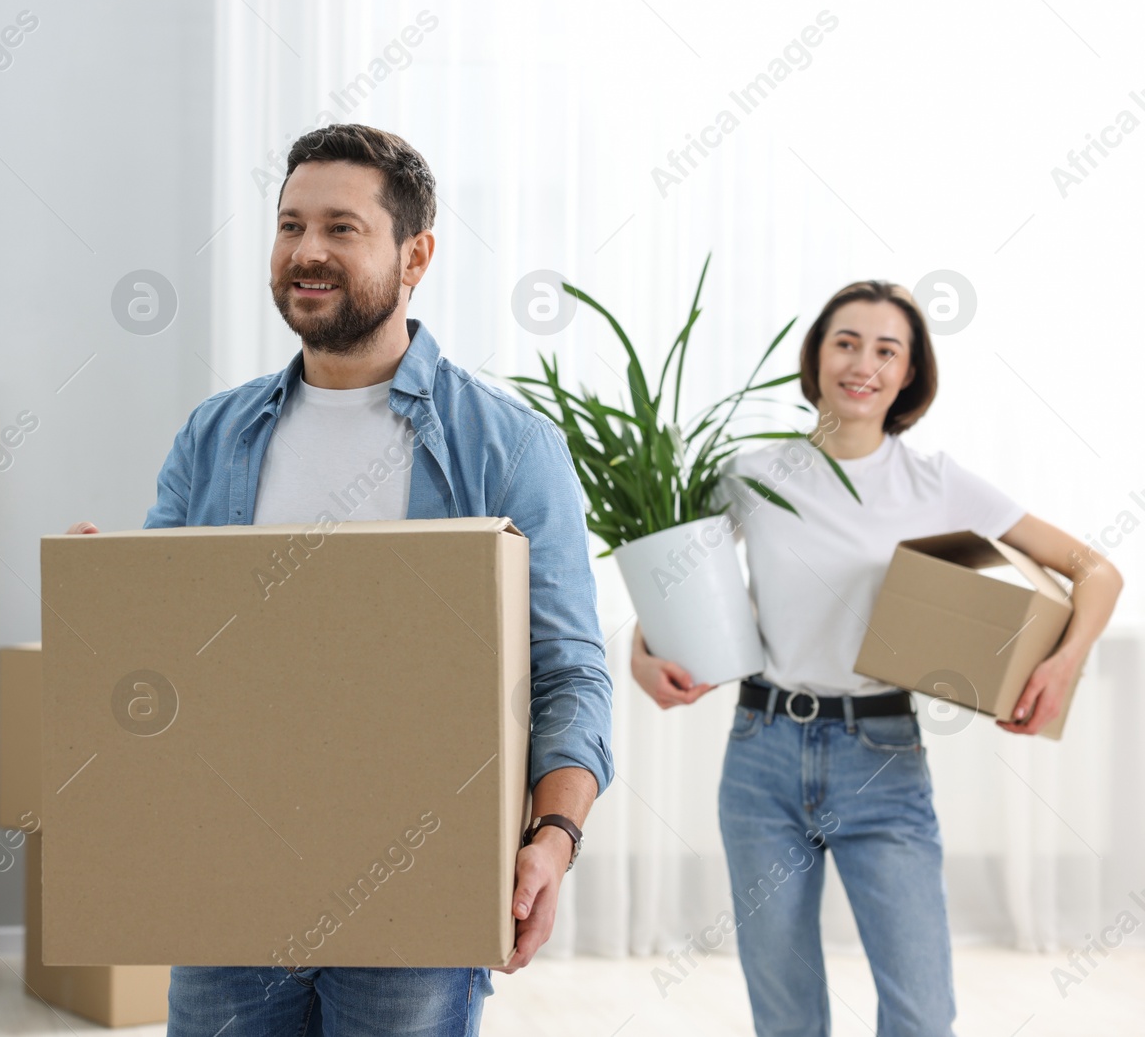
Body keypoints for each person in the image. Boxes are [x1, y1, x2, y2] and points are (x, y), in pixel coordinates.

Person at [67, 124, 615, 1036]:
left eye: (341, 227)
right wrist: (106, 601)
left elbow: (568, 671)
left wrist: (553, 839)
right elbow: (165, 661)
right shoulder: (216, 434)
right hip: (227, 884)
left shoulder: (510, 445)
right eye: (289, 225)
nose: (306, 252)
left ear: (416, 254)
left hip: (415, 889)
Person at [631, 280, 1123, 1037]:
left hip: (883, 759)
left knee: (922, 1016)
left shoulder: (936, 482)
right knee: (787, 1017)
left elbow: (1097, 570)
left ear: (908, 373)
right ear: (817, 358)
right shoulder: (755, 475)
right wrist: (641, 652)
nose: (864, 363)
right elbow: (675, 582)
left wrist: (1061, 663)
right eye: (846, 342)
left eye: (886, 349)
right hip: (762, 755)